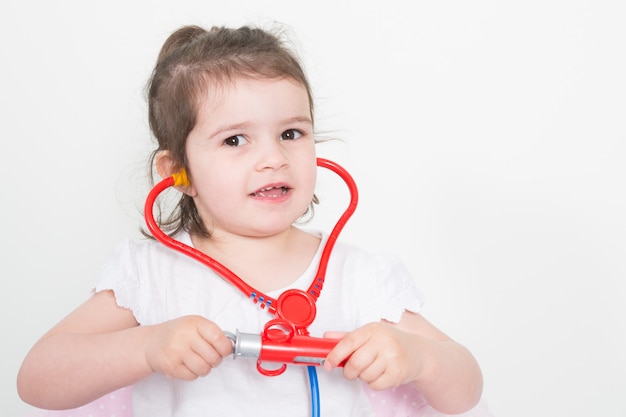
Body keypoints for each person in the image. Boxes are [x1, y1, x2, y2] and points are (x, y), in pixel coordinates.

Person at [17, 24, 486, 417]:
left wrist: (419, 358)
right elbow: (37, 378)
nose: (273, 158)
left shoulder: (360, 277)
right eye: (235, 140)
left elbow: (466, 387)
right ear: (176, 173)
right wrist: (145, 347)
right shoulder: (152, 275)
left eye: (290, 133)